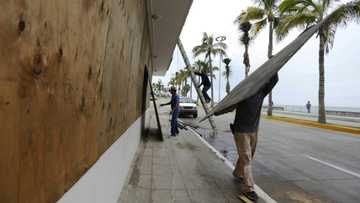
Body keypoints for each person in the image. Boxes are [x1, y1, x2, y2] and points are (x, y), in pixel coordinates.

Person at [230, 73, 279, 202]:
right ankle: (248, 189)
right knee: (246, 157)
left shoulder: (260, 93)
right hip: (240, 131)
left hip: (253, 130)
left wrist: (274, 64)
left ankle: (237, 173)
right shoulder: (241, 95)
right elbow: (228, 104)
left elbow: (274, 80)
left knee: (248, 155)